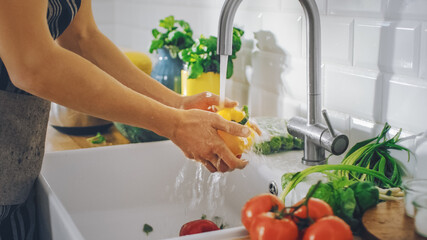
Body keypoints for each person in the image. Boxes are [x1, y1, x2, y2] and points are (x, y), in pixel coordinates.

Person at [0, 0, 251, 238]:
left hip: (16, 170)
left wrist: (177, 104)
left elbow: (83, 38)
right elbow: (31, 63)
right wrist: (175, 124)